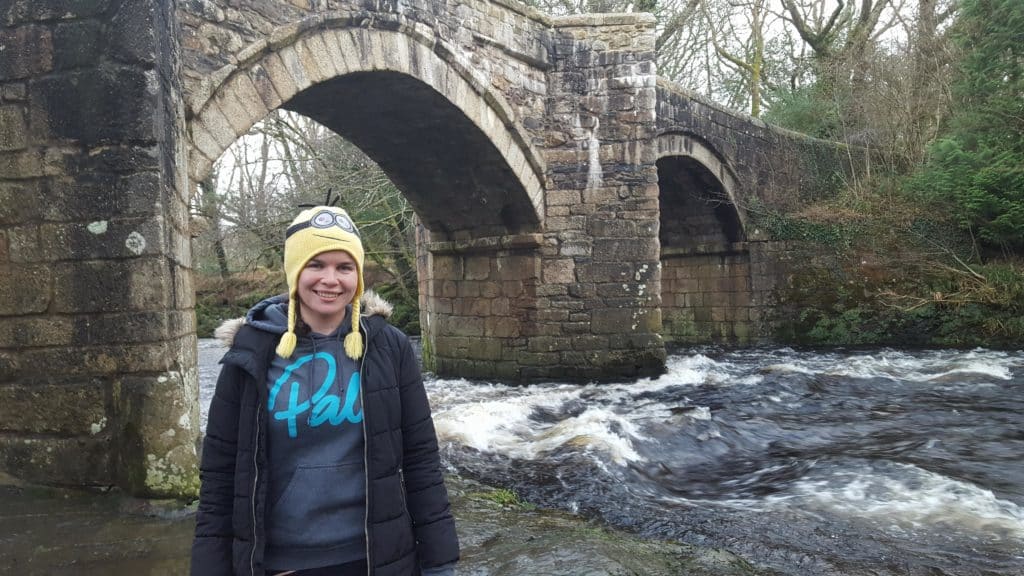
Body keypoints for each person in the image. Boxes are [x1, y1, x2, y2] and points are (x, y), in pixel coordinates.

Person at [191, 202, 459, 576]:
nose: (330, 280)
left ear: (357, 277)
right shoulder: (250, 351)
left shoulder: (389, 347)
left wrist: (440, 563)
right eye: (316, 265)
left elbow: (421, 460)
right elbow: (220, 477)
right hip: (280, 564)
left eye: (344, 267)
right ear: (295, 272)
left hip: (376, 560)